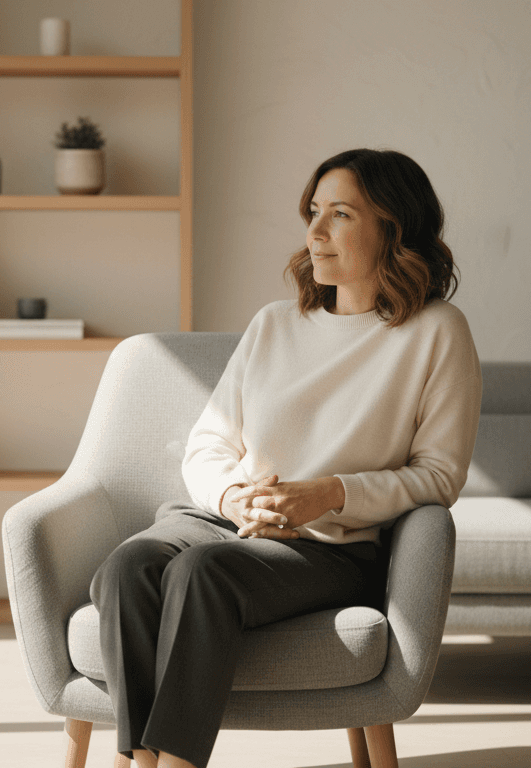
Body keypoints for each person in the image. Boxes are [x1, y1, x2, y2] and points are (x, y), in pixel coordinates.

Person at [89, 148, 483, 768]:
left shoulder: (437, 332)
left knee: (203, 574)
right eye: (314, 212)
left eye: (341, 215)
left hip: (331, 545)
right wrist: (230, 496)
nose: (315, 232)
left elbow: (440, 476)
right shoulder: (275, 323)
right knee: (128, 566)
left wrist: (329, 493)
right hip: (225, 519)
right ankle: (139, 762)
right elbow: (209, 443)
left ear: (392, 228)